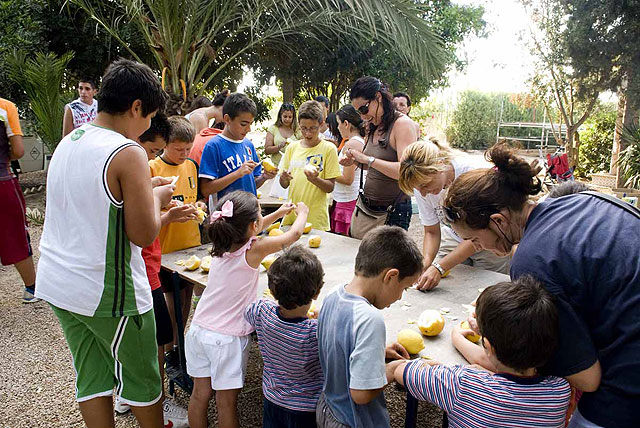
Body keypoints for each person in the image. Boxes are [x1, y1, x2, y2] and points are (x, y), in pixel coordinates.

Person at [442, 143, 640, 428]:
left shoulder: (532, 261)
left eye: (474, 240)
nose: (476, 247)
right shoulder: (576, 200)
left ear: (498, 221)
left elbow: (588, 377)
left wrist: (496, 331)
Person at [35, 59, 172, 428]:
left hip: (60, 284)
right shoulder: (128, 152)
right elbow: (143, 235)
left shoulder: (70, 141)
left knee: (92, 376)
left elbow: (90, 202)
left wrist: (147, 192)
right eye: (148, 118)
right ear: (137, 107)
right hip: (109, 293)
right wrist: (159, 198)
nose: (147, 128)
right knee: (144, 383)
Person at [186, 190, 309, 428]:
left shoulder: (221, 243)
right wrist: (302, 213)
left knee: (200, 395)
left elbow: (251, 226)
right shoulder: (255, 250)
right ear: (253, 226)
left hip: (199, 330)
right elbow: (292, 236)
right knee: (226, 403)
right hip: (227, 339)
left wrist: (279, 213)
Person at [392, 277, 571, 428]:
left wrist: (434, 366)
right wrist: (459, 339)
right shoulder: (561, 391)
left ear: (488, 346)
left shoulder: (459, 384)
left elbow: (399, 371)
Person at [316, 226, 423, 428]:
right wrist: (394, 369)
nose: (400, 296)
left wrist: (376, 353)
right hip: (354, 421)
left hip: (327, 409)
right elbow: (361, 394)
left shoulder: (333, 294)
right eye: (404, 288)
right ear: (390, 276)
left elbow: (337, 347)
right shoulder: (370, 319)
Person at [129, 112, 190, 427]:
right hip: (144, 269)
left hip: (147, 265)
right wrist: (157, 197)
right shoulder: (131, 160)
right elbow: (141, 229)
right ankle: (158, 405)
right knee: (154, 340)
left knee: (146, 337)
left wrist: (167, 213)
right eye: (154, 150)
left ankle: (128, 395)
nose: (153, 157)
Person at [398, 139, 510, 291]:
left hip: (489, 244)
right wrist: (426, 263)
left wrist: (440, 267)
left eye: (425, 185)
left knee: (484, 291)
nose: (423, 193)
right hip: (453, 238)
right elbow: (431, 231)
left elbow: (478, 236)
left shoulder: (472, 174)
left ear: (439, 166)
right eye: (418, 189)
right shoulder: (422, 186)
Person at [245, 245, 325, 428]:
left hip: (272, 399)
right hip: (306, 410)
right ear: (317, 293)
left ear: (272, 290)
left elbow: (249, 310)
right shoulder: (316, 332)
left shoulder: (261, 311)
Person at [148, 116, 203, 369]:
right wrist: (169, 215)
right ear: (164, 145)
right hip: (166, 250)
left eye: (187, 148)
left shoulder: (191, 166)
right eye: (178, 148)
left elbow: (198, 198)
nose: (184, 154)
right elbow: (146, 216)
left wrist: (199, 207)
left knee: (185, 300)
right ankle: (170, 352)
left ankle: (180, 347)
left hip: (191, 245)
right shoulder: (152, 169)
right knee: (171, 304)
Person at [342, 77, 419, 238]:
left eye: (364, 109)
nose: (363, 116)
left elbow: (406, 171)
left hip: (393, 210)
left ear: (378, 97)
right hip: (368, 208)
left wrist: (367, 159)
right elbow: (374, 167)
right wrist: (356, 162)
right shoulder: (372, 126)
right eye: (358, 112)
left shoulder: (402, 125)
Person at [199, 93, 276, 202]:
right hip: (225, 215)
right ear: (227, 119)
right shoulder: (213, 146)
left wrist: (264, 177)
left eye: (250, 124)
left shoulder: (248, 145)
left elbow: (252, 184)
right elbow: (206, 190)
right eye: (243, 124)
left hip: (249, 211)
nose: (248, 129)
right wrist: (237, 174)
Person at [279, 100, 341, 231]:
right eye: (303, 128)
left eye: (313, 128)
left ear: (321, 124)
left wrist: (314, 179)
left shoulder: (329, 149)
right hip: (292, 216)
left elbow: (330, 187)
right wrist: (284, 178)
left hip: (316, 220)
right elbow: (284, 184)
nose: (307, 133)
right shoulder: (292, 148)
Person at [0, 97, 39, 303]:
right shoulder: (5, 107)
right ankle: (32, 289)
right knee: (15, 234)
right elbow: (18, 150)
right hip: (2, 181)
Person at [331, 105, 366, 235]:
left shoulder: (351, 144)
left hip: (347, 201)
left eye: (338, 123)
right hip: (349, 198)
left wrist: (326, 173)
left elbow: (347, 179)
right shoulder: (359, 141)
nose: (338, 128)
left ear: (346, 123)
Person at [187, 90, 230, 166]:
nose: (224, 120)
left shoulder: (204, 115)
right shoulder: (200, 118)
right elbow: (197, 146)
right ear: (222, 109)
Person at [264, 102, 301, 167]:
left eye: (290, 117)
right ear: (280, 116)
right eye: (285, 116)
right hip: (276, 167)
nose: (287, 119)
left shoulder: (297, 129)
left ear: (293, 117)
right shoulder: (273, 128)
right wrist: (279, 147)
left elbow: (304, 146)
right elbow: (267, 150)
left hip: (293, 166)